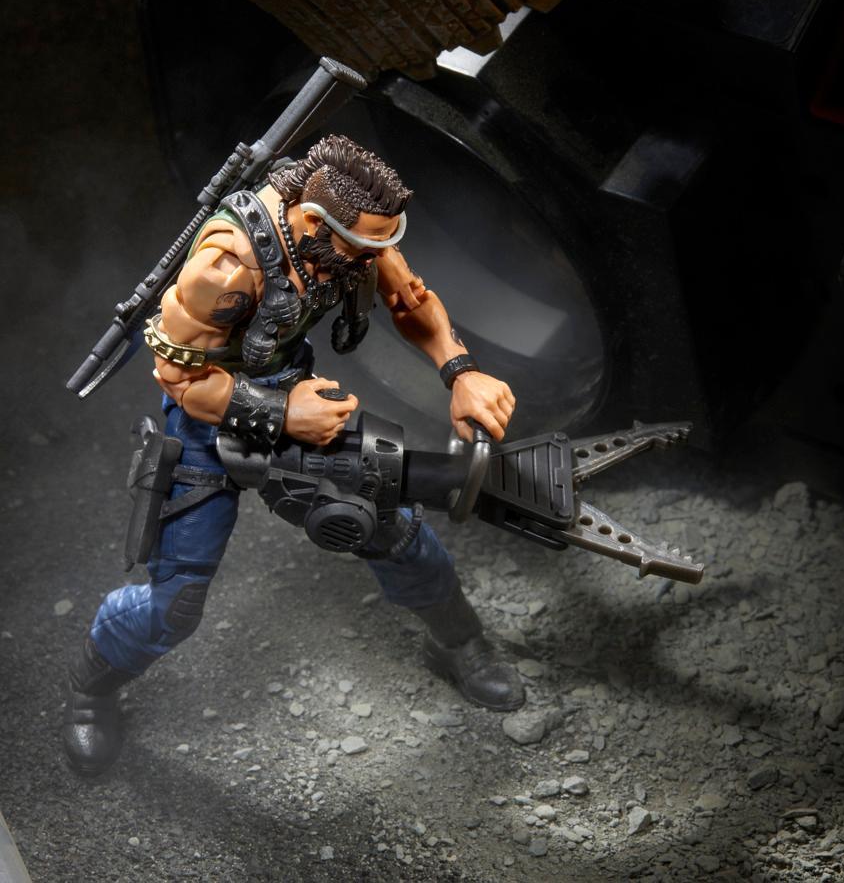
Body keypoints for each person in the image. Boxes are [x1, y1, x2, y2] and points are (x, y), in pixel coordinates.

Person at [62, 134, 524, 775]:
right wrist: (282, 413)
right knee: (176, 602)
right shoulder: (227, 266)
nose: (377, 258)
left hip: (298, 397)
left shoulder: (358, 237)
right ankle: (90, 690)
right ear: (313, 221)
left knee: (391, 527)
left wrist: (460, 370)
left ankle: (460, 643)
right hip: (207, 422)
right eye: (363, 247)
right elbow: (179, 377)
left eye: (382, 244)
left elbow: (410, 299)